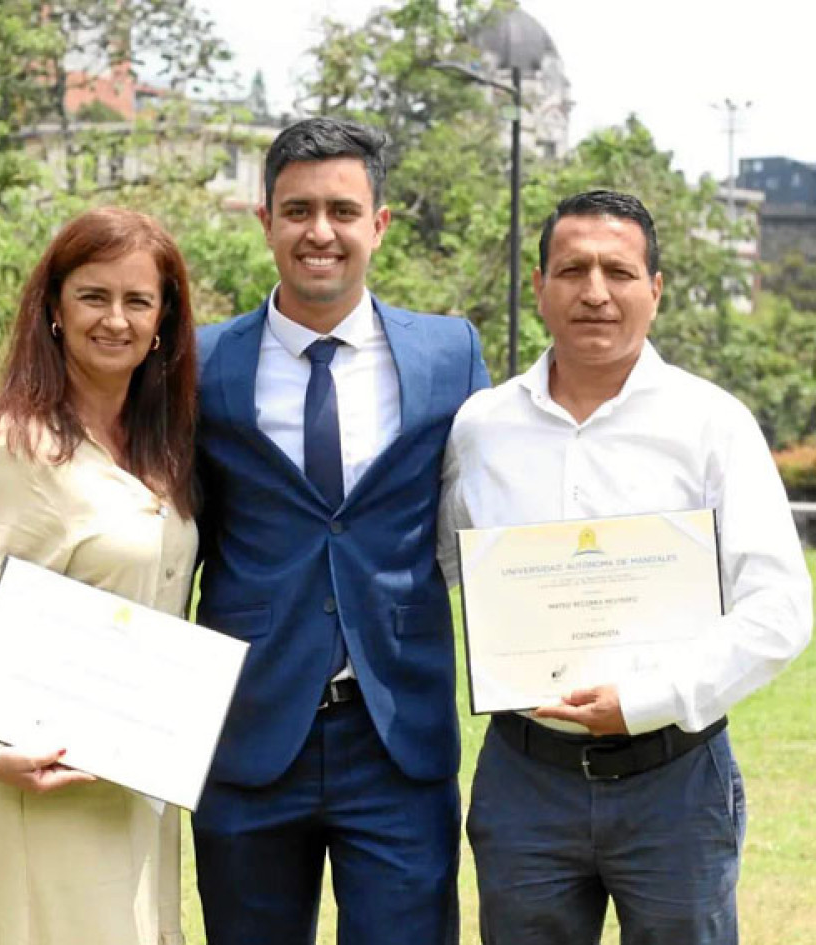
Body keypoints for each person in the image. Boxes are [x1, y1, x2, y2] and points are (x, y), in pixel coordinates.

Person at [439, 189, 812, 945]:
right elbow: (437, 568)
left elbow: (778, 607)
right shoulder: (481, 427)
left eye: (618, 270)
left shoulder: (710, 424)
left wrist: (650, 696)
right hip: (524, 777)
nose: (595, 291)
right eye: (572, 269)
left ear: (655, 289)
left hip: (673, 778)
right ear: (538, 286)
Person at [192, 116, 490, 945]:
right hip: (247, 733)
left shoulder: (449, 355)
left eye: (341, 210)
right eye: (296, 210)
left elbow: (495, 516)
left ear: (379, 225)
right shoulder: (197, 363)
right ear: (263, 221)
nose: (319, 232)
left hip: (396, 736)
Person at [0, 206, 198, 945]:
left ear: (162, 320)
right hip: (37, 788)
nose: (115, 319)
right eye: (93, 295)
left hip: (133, 783)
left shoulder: (159, 449)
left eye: (137, 300)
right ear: (54, 307)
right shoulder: (15, 447)